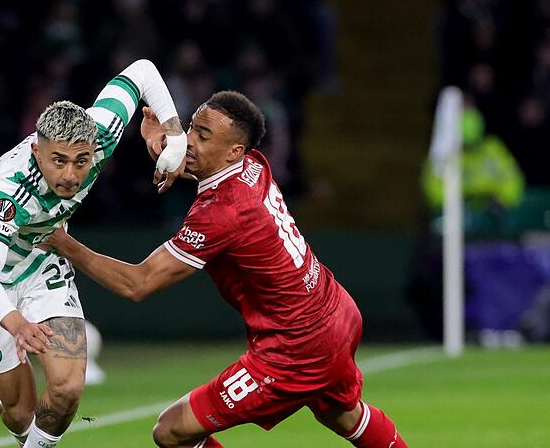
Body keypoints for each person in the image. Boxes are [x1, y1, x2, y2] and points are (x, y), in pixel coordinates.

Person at [43, 91, 408, 448]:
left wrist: (62, 242)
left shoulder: (221, 213)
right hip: (335, 312)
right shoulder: (254, 165)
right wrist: (163, 145)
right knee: (344, 415)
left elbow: (138, 284)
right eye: (192, 128)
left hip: (296, 347)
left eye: (203, 136)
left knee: (171, 431)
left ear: (234, 150)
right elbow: (202, 163)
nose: (189, 140)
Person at [0, 59, 186, 448]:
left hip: (42, 259)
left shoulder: (101, 132)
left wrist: (173, 130)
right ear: (37, 152)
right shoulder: (10, 189)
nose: (71, 176)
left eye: (81, 161)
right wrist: (16, 323)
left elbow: (142, 71)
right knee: (20, 411)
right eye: (58, 161)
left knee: (67, 390)